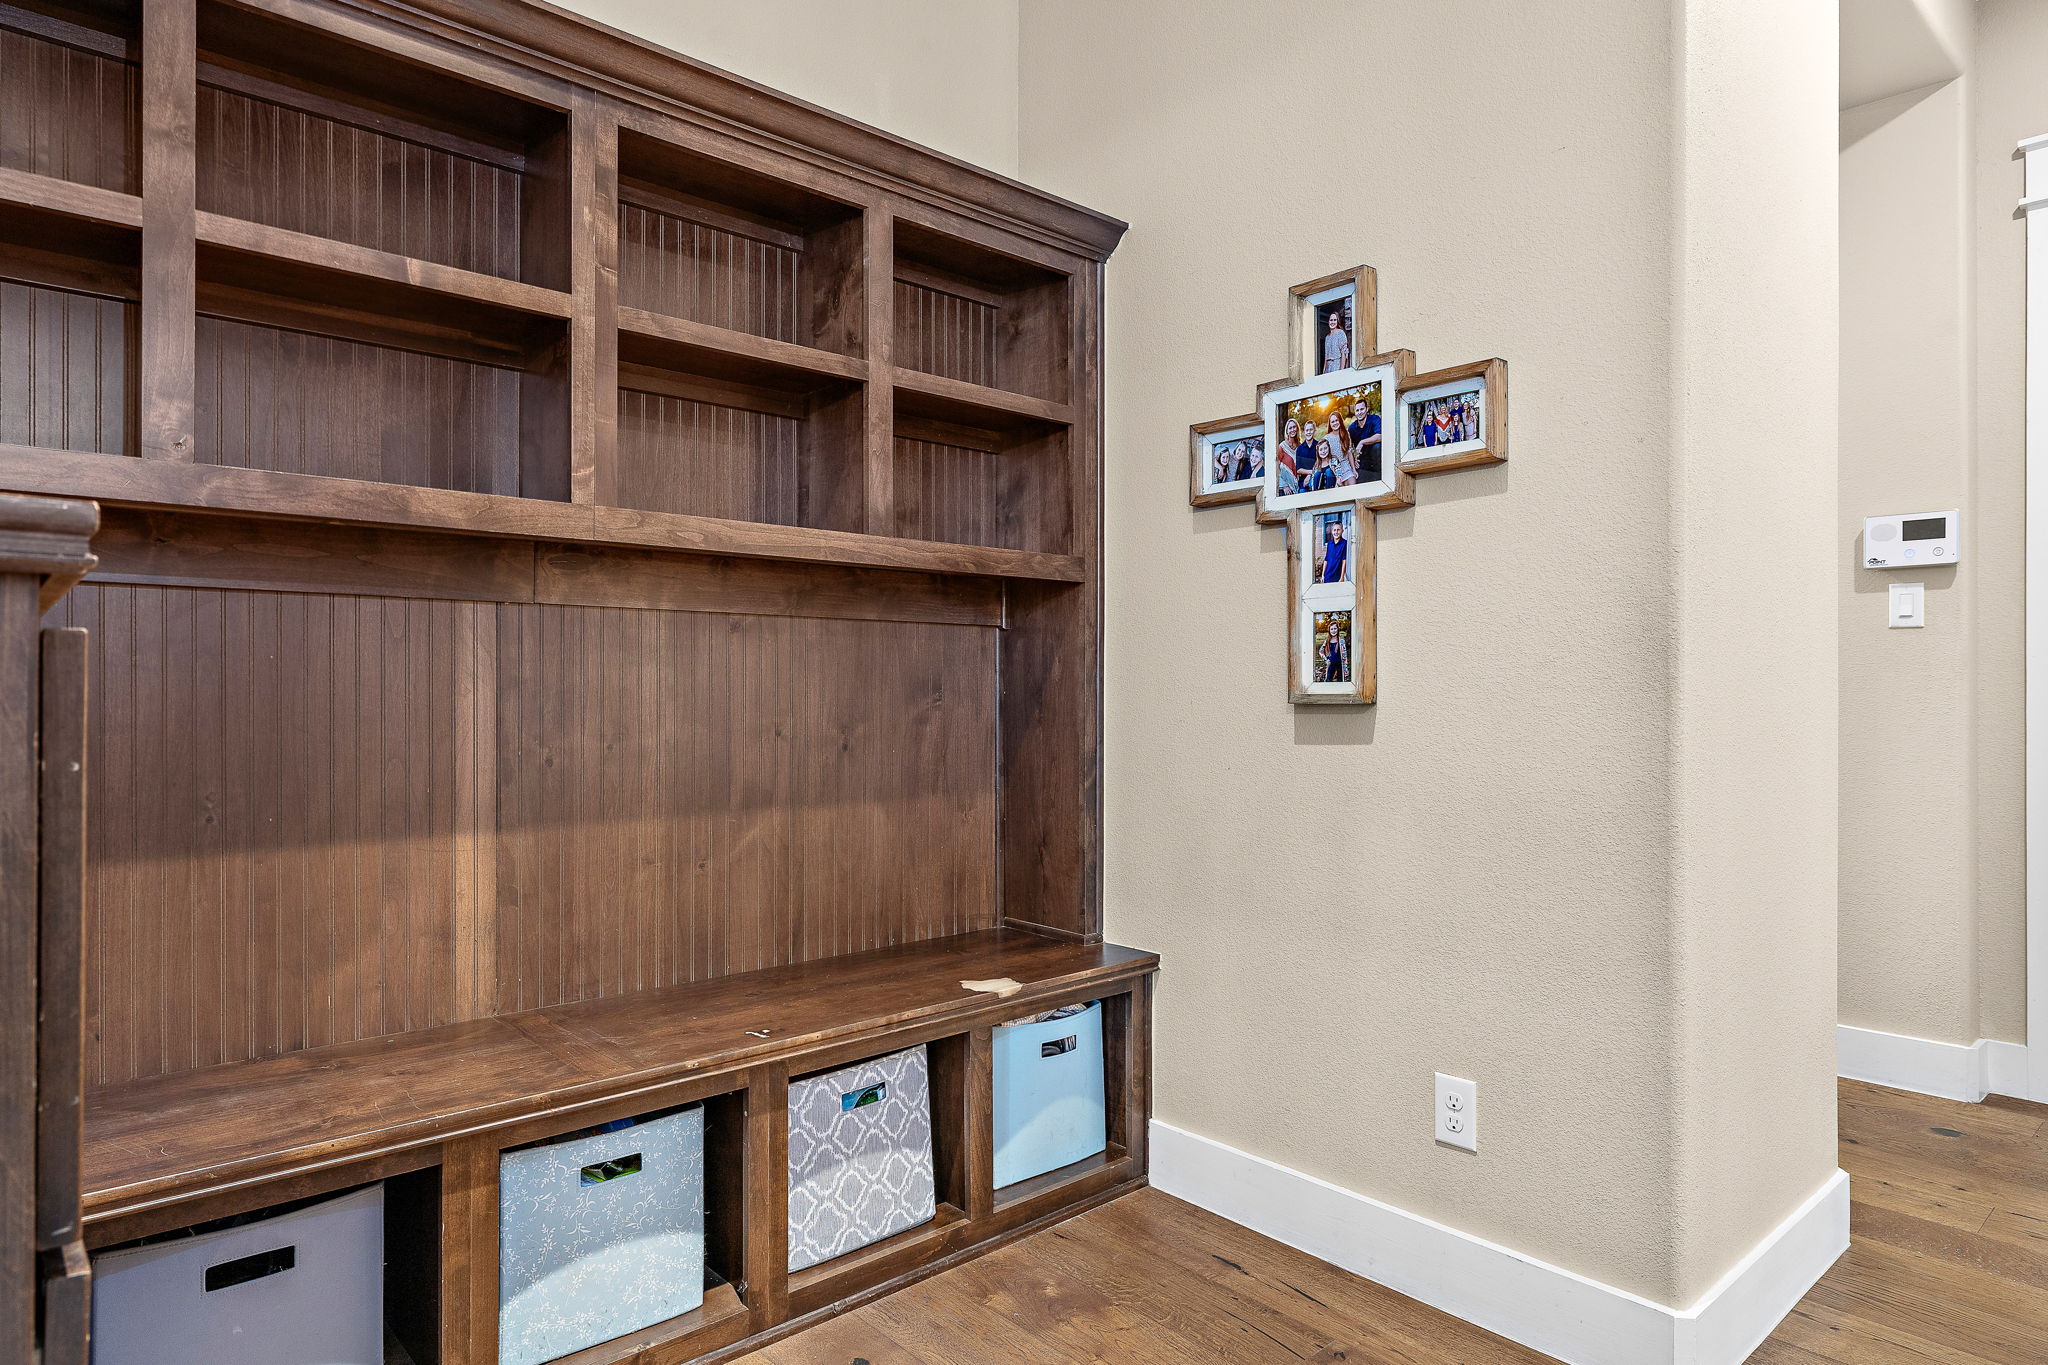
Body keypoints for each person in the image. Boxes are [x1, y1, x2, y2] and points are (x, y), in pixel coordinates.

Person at [1347, 399, 1382, 482]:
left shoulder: (1374, 419)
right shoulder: (1352, 428)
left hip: (1376, 457)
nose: (1360, 412)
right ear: (1355, 412)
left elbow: (1380, 437)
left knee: (1377, 447)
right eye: (1357, 410)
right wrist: (1354, 459)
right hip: (1362, 459)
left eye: (1362, 409)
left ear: (1367, 409)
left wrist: (1362, 442)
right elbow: (1349, 447)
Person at [1316, 616, 1349, 683]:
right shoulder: (1327, 641)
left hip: (1340, 664)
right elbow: (1321, 651)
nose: (1333, 630)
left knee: (1340, 681)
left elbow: (1345, 656)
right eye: (1332, 629)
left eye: (1335, 628)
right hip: (1331, 663)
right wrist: (1326, 660)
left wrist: (1345, 668)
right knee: (1328, 680)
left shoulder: (1341, 641)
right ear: (1329, 630)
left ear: (1337, 629)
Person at [1318, 517, 1348, 584]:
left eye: (1338, 530)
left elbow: (1344, 561)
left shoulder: (1344, 543)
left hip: (1337, 576)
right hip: (1327, 575)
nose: (1336, 532)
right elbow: (1326, 559)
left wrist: (1342, 577)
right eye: (1334, 530)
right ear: (1332, 532)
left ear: (1342, 531)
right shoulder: (1329, 543)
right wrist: (1323, 575)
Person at [1321, 308, 1350, 373]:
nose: (1332, 322)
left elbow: (1344, 352)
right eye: (1331, 320)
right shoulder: (1327, 337)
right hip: (1328, 367)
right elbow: (1326, 357)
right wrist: (1324, 371)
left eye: (1335, 320)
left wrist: (1341, 371)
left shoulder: (1340, 333)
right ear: (1328, 321)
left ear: (1337, 321)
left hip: (1336, 364)